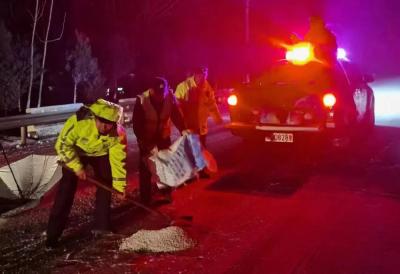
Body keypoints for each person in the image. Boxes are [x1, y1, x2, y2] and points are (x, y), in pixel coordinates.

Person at [46, 98, 127, 248]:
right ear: (95, 117)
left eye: (109, 123)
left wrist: (120, 186)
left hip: (100, 154)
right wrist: (77, 167)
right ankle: (53, 234)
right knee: (66, 190)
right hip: (76, 153)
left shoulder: (118, 133)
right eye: (102, 121)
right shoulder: (78, 122)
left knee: (106, 183)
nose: (104, 126)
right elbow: (62, 145)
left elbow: (118, 161)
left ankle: (102, 226)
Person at [132, 77, 187, 205]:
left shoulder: (169, 97)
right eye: (157, 94)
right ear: (150, 90)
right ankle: (145, 199)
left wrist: (183, 129)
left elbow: (176, 115)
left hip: (163, 136)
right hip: (146, 137)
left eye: (163, 93)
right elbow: (137, 125)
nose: (160, 96)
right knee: (146, 168)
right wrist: (145, 143)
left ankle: (165, 193)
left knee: (165, 165)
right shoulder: (142, 100)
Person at [175, 66, 223, 148]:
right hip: (188, 127)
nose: (203, 78)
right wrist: (181, 125)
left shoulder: (207, 87)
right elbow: (176, 106)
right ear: (195, 75)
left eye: (205, 75)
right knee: (190, 150)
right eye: (201, 75)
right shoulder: (183, 87)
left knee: (202, 149)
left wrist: (217, 118)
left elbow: (211, 104)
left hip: (201, 126)